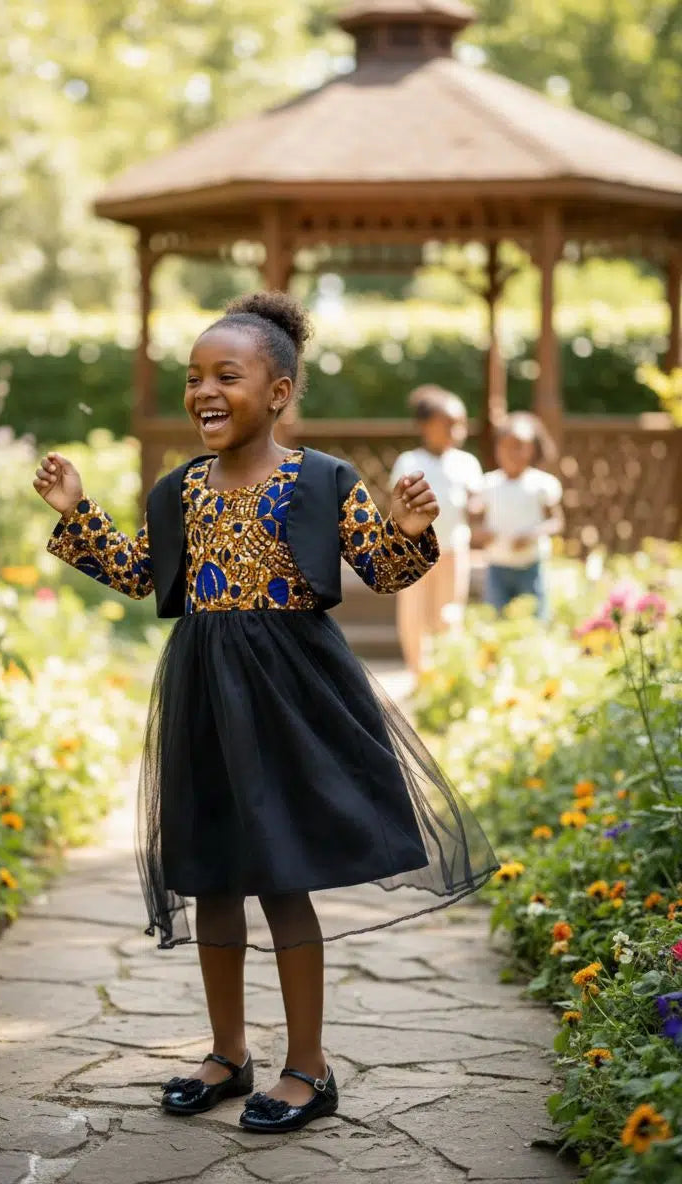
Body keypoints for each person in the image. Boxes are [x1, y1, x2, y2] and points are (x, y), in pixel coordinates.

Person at [33, 292, 498, 1135]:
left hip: (292, 696)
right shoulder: (179, 492)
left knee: (281, 876)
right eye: (194, 378)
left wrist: (409, 530)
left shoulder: (321, 480)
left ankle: (308, 1068)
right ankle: (227, 1051)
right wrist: (78, 514)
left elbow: (383, 571)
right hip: (204, 696)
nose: (205, 391)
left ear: (278, 391)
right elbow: (146, 576)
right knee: (210, 871)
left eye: (227, 376)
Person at [389, 386, 483, 674]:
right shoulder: (410, 462)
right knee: (413, 613)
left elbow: (476, 506)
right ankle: (419, 673)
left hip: (453, 549)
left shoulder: (467, 464)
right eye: (448, 424)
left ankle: (446, 674)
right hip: (415, 551)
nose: (455, 430)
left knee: (449, 611)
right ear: (425, 426)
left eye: (460, 424)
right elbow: (398, 505)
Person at [474, 412, 563, 620]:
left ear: (531, 449)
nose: (511, 453)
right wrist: (481, 534)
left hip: (530, 565)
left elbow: (557, 521)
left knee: (535, 618)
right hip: (497, 565)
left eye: (519, 447)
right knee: (497, 619)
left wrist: (532, 534)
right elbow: (475, 522)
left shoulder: (541, 484)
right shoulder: (489, 484)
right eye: (505, 446)